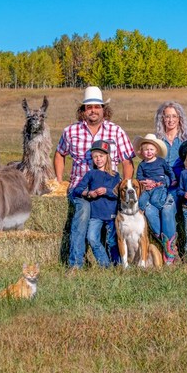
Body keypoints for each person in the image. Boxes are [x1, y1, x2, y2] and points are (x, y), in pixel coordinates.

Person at [54, 86, 134, 270]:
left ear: (104, 109)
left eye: (97, 106)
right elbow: (59, 154)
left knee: (114, 225)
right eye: (89, 107)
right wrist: (59, 181)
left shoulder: (116, 131)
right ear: (82, 110)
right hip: (81, 188)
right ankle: (75, 264)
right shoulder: (70, 131)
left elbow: (128, 161)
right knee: (82, 215)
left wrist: (124, 187)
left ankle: (118, 262)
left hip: (110, 188)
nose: (93, 110)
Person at [69, 140, 120, 268]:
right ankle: (105, 265)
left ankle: (117, 264)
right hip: (95, 214)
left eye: (101, 156)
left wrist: (106, 191)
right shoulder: (91, 174)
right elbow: (77, 190)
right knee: (92, 238)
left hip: (111, 214)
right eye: (95, 156)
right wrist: (88, 193)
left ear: (107, 157)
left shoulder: (115, 175)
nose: (98, 159)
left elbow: (118, 193)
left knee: (112, 241)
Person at [153, 101, 187, 262]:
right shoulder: (156, 139)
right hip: (160, 184)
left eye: (174, 116)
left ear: (180, 119)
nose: (170, 120)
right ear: (162, 119)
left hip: (179, 184)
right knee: (147, 208)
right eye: (167, 116)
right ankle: (166, 245)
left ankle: (170, 254)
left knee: (167, 209)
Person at [133, 133, 175, 263]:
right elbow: (139, 178)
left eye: (151, 149)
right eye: (146, 150)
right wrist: (144, 183)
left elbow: (169, 172)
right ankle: (162, 238)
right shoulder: (142, 165)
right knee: (141, 203)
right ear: (142, 152)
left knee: (156, 201)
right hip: (147, 188)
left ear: (156, 150)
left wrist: (172, 180)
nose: (149, 152)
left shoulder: (161, 162)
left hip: (159, 186)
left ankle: (170, 247)